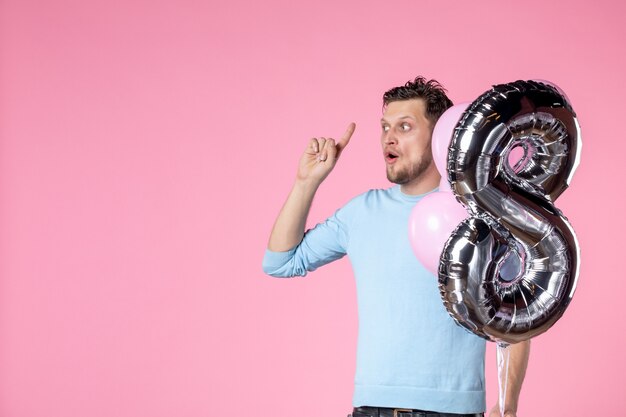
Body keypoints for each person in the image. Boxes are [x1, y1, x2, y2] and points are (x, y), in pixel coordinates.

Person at [262, 76, 530, 417]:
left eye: (405, 126)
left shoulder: (477, 214)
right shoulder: (362, 212)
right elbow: (280, 262)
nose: (389, 137)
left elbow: (518, 313)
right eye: (385, 126)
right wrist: (306, 182)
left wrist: (506, 406)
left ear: (439, 137)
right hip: (370, 409)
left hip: (453, 412)